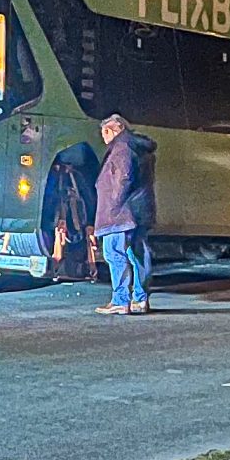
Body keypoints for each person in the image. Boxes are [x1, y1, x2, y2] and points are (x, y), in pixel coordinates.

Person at [92, 112, 157, 314]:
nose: (103, 138)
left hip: (121, 213)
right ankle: (140, 299)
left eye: (104, 133)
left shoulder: (122, 147)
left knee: (114, 253)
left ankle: (120, 300)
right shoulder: (138, 147)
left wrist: (113, 204)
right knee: (138, 254)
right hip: (139, 210)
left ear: (112, 130)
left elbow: (123, 177)